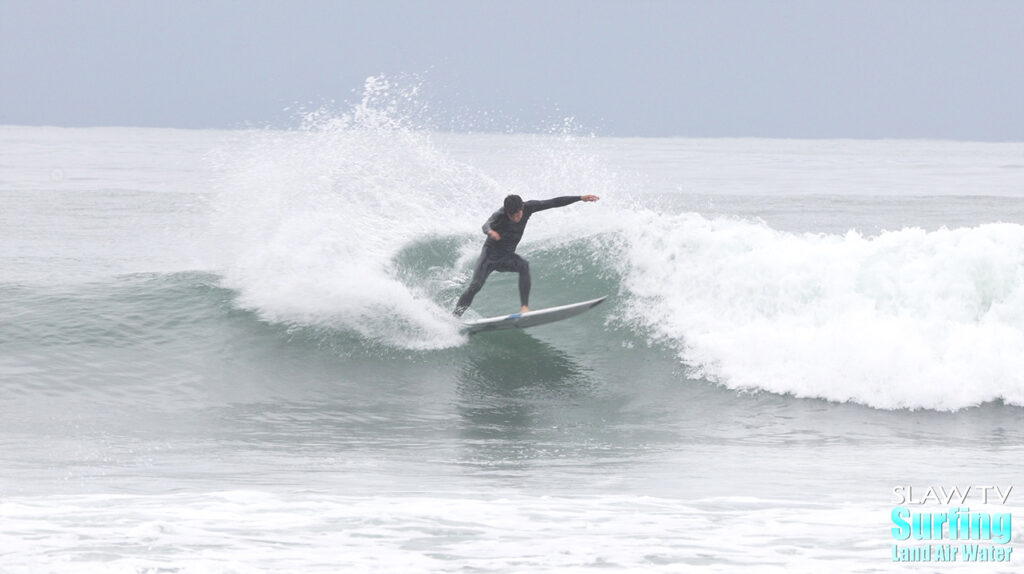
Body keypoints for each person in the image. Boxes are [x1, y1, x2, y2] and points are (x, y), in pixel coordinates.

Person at [453, 193, 600, 317]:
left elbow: (553, 202)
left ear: (522, 207)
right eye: (512, 215)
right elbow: (486, 225)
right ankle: (455, 317)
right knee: (475, 286)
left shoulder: (529, 207)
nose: (516, 218)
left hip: (506, 258)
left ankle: (524, 308)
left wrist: (580, 198)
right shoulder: (500, 215)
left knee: (524, 265)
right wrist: (490, 232)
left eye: (518, 214)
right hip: (489, 257)